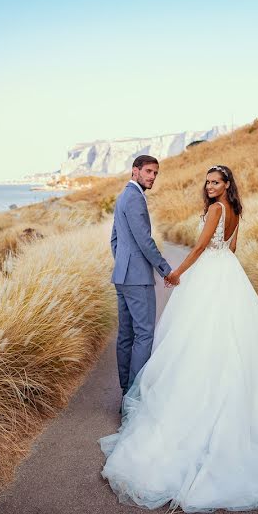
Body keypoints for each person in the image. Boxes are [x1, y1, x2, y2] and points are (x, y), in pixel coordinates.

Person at [99, 164, 258, 512]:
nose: (209, 187)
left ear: (226, 185)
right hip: (229, 275)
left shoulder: (215, 209)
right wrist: (217, 266)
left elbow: (198, 248)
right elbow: (231, 249)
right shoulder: (236, 210)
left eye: (215, 182)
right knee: (234, 341)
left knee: (198, 340)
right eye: (207, 182)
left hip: (209, 275)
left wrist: (175, 273)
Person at [110, 155, 180, 397]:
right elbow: (144, 241)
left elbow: (115, 241)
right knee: (144, 334)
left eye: (155, 173)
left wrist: (123, 265)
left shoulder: (123, 197)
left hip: (122, 276)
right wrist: (166, 270)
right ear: (135, 171)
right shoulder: (135, 199)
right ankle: (133, 396)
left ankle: (125, 391)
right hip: (137, 278)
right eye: (148, 171)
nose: (152, 177)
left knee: (126, 335)